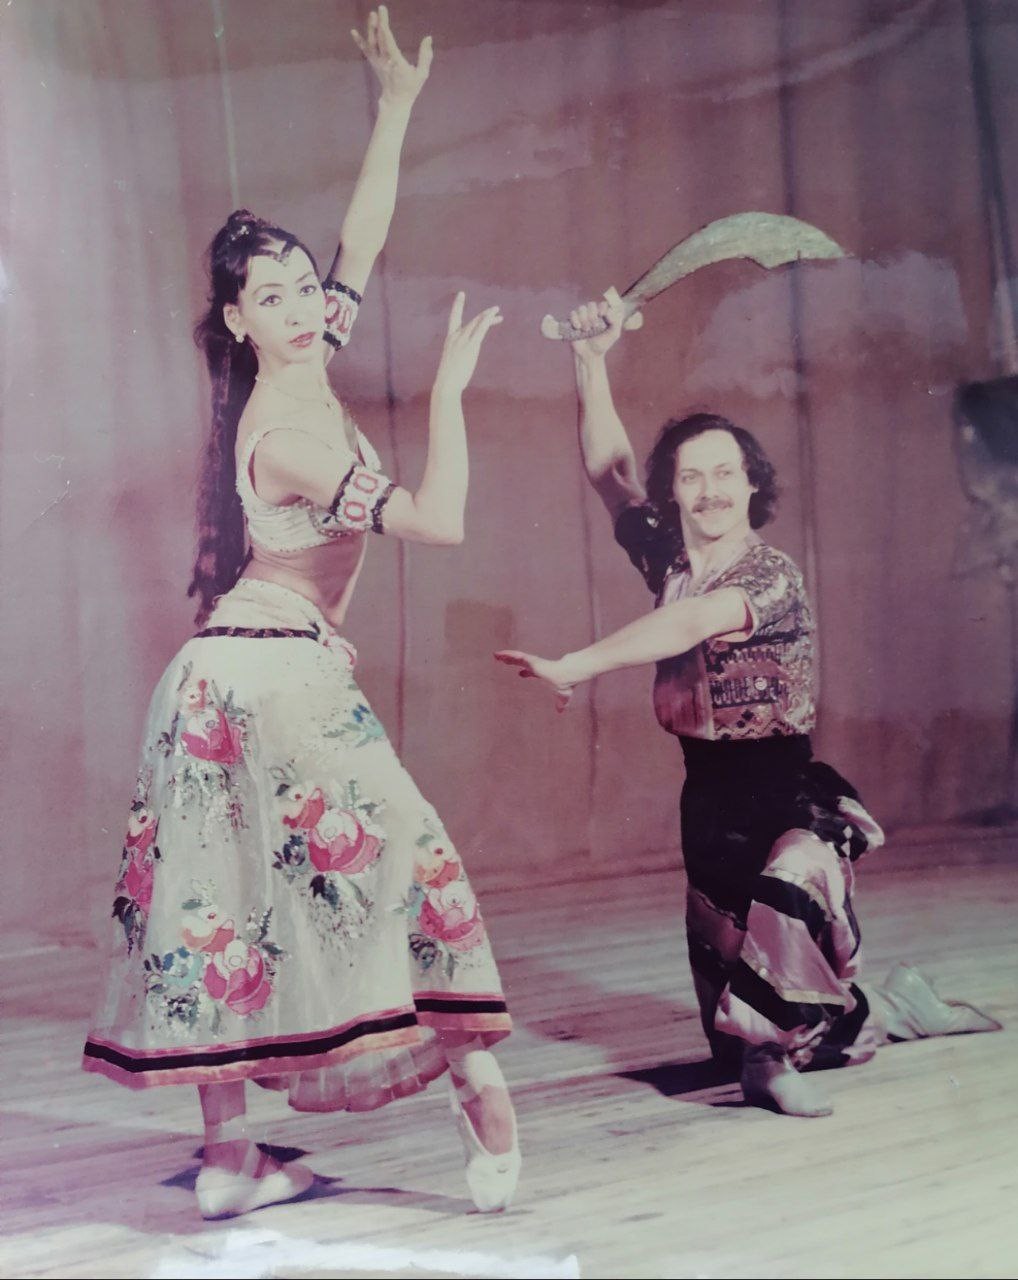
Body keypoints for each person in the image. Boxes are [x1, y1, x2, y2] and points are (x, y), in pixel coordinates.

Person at [83, 8, 519, 1218]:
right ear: (236, 319)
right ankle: (475, 1090)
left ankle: (232, 1165)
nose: (299, 305)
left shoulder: (306, 363)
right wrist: (450, 392)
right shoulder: (284, 431)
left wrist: (396, 109)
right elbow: (437, 520)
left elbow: (360, 237)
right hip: (262, 673)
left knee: (237, 897)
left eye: (299, 289)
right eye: (268, 295)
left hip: (248, 669)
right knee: (389, 857)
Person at [496, 294, 1001, 1117]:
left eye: (726, 473)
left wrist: (574, 664)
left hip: (786, 797)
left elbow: (688, 624)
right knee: (748, 1033)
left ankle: (774, 1064)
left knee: (784, 939)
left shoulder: (769, 575)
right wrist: (588, 360)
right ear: (674, 491)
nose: (710, 491)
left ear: (751, 482)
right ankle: (892, 1004)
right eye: (692, 477)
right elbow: (609, 474)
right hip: (709, 800)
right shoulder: (669, 557)